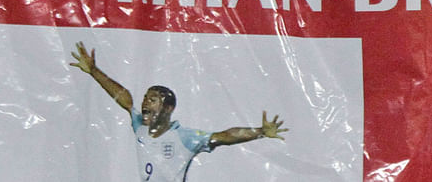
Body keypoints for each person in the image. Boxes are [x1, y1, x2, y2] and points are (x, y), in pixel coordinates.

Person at [67, 44, 285, 177]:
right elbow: (125, 100)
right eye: (145, 98)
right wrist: (94, 71)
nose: (145, 103)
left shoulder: (184, 137)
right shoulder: (140, 126)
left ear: (168, 108)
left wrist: (260, 131)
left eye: (152, 100)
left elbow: (224, 136)